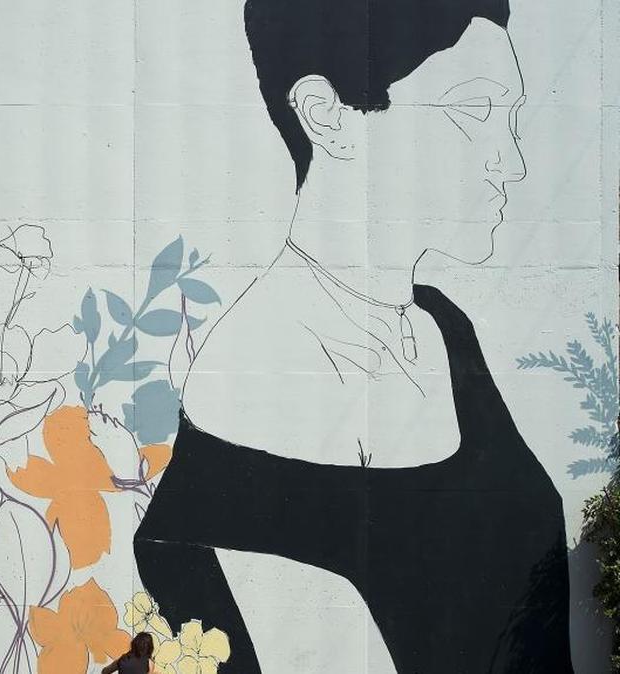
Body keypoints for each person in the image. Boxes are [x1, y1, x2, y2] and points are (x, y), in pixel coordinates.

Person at [135, 0, 573, 671]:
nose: (510, 163)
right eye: (478, 110)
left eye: (511, 118)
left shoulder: (441, 327)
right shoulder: (256, 371)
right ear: (326, 114)